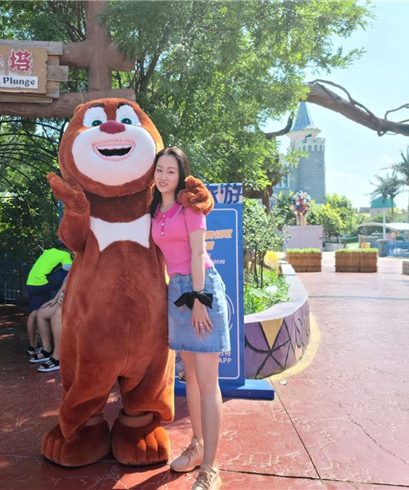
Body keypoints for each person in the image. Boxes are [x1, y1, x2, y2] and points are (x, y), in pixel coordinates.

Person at [150, 147, 231, 490]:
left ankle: (210, 468)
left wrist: (199, 300)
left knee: (208, 382)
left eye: (171, 171)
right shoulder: (154, 211)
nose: (164, 176)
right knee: (192, 379)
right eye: (159, 170)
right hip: (176, 293)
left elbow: (198, 253)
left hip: (202, 289)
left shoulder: (190, 208)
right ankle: (197, 446)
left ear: (180, 174)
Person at [25, 244, 72, 355]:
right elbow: (67, 267)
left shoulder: (48, 252)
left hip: (30, 284)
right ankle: (50, 347)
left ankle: (32, 346)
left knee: (33, 314)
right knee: (68, 273)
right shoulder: (65, 254)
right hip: (43, 284)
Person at [29, 280, 65, 371]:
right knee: (41, 313)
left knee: (57, 317)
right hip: (65, 298)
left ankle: (57, 357)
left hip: (80, 299)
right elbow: (66, 282)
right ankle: (47, 350)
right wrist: (55, 299)